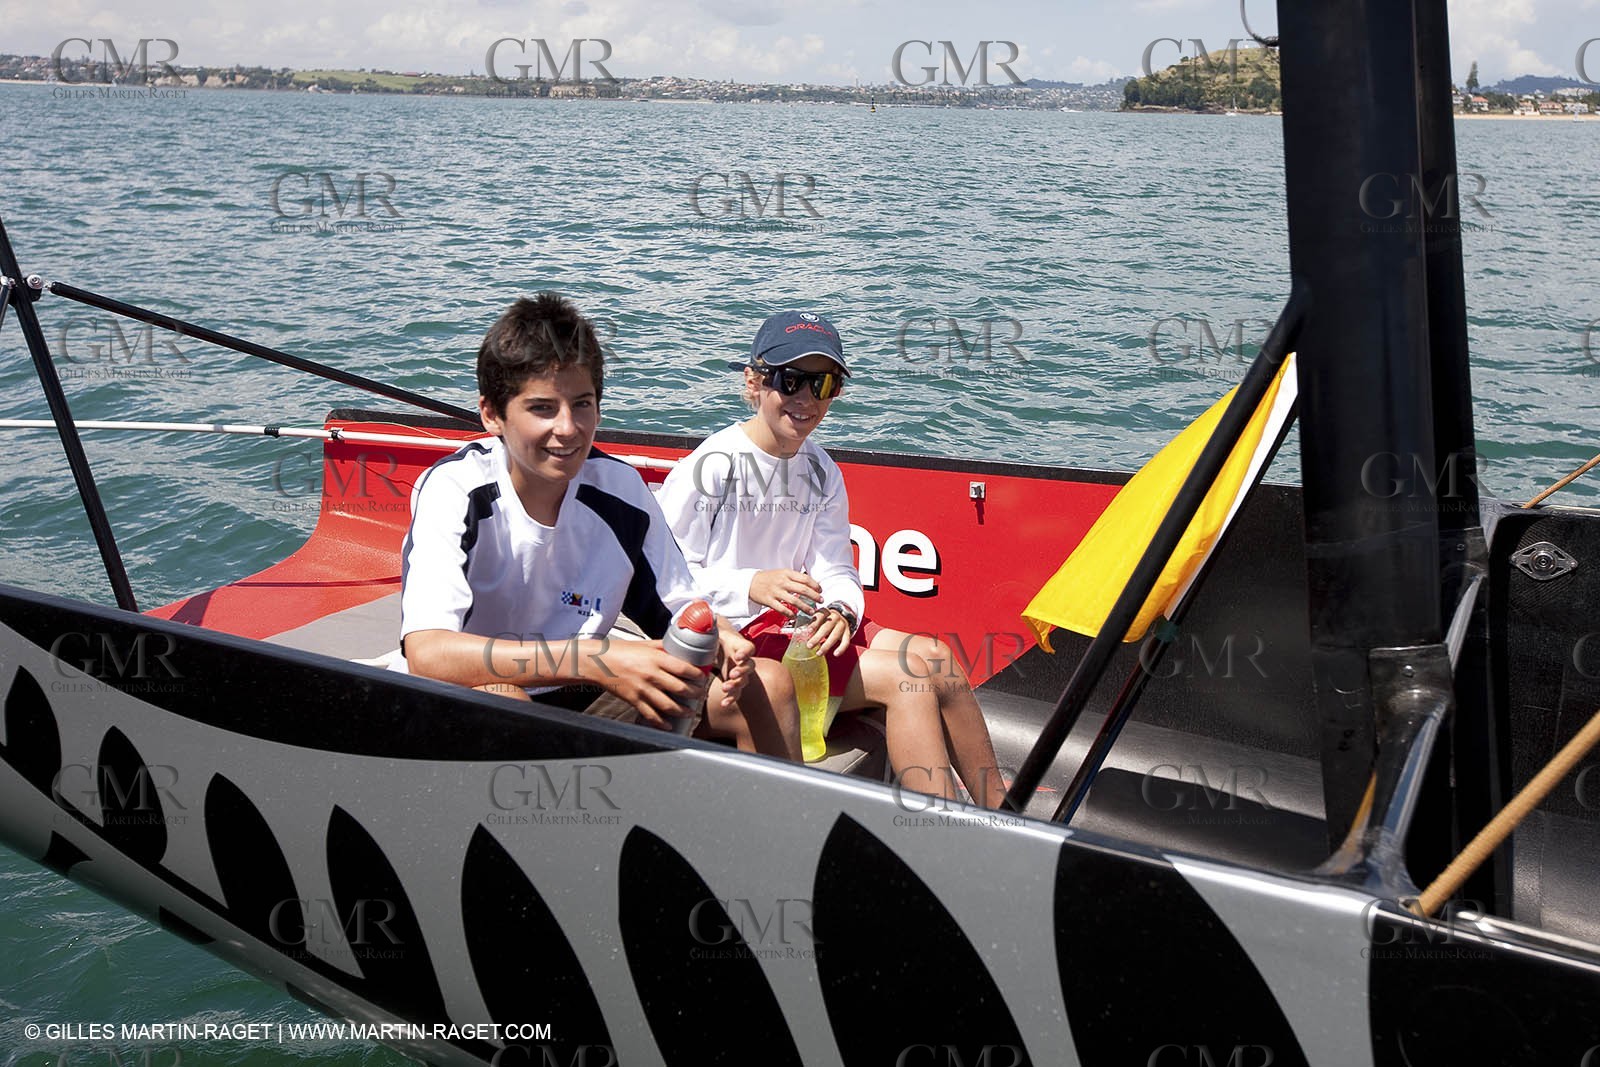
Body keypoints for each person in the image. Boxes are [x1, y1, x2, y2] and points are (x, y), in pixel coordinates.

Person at [393, 293, 798, 757]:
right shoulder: (454, 491)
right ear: (491, 414)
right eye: (542, 408)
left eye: (582, 404)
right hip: (480, 691)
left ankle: (782, 826)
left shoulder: (621, 491)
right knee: (507, 701)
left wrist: (723, 639)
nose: (568, 428)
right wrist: (596, 659)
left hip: (586, 686)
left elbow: (677, 609)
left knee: (770, 682)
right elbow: (428, 653)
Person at [655, 310, 1007, 807]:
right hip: (734, 635)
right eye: (790, 380)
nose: (805, 399)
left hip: (795, 626)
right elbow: (662, 579)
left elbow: (836, 570)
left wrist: (841, 609)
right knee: (909, 677)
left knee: (940, 660)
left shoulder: (822, 470)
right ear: (755, 382)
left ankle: (1004, 815)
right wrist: (750, 583)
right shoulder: (710, 467)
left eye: (822, 384)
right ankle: (944, 837)